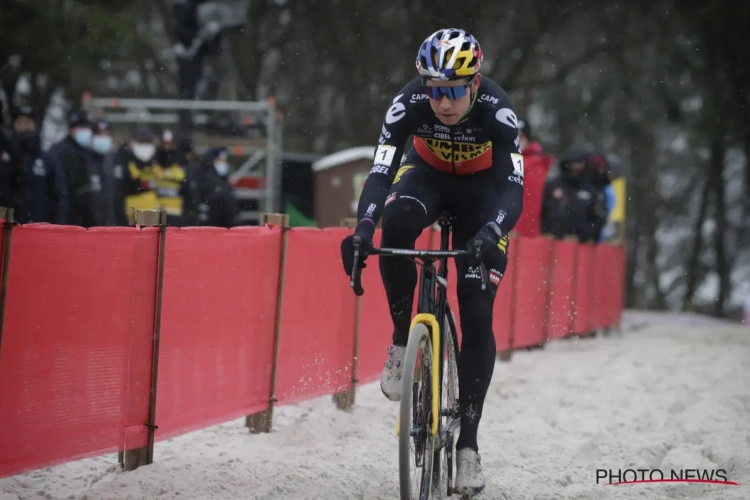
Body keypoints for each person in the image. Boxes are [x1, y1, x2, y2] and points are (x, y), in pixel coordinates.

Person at [339, 28, 524, 496]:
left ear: (475, 84)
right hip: (425, 177)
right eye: (435, 90)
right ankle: (403, 341)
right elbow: (381, 170)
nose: (443, 102)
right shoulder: (408, 103)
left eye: (454, 91)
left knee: (476, 305)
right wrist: (362, 228)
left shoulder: (497, 110)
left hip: (481, 196)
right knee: (396, 223)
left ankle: (469, 448)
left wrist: (493, 231)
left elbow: (512, 188)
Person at [6, 106, 68, 224]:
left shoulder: (48, 160)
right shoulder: (7, 158)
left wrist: (57, 225)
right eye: (19, 122)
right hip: (11, 226)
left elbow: (60, 196)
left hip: (40, 227)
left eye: (27, 123)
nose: (23, 126)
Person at [49, 109, 106, 227]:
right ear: (71, 129)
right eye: (81, 127)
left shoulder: (88, 153)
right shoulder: (60, 152)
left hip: (85, 219)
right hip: (68, 220)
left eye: (87, 127)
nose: (86, 131)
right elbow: (61, 192)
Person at [540, 149, 607, 243]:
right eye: (572, 163)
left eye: (579, 163)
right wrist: (546, 231)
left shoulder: (593, 190)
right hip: (551, 243)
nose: (575, 167)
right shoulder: (553, 185)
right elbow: (541, 211)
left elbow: (599, 219)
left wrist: (583, 234)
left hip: (580, 246)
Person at [512, 118, 554, 237]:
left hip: (518, 233)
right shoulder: (512, 158)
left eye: (520, 137)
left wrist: (516, 228)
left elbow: (530, 202)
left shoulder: (532, 164)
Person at [191, 147, 239, 227]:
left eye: (225, 161)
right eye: (220, 160)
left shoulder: (224, 180)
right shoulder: (205, 177)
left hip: (223, 223)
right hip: (209, 222)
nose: (223, 163)